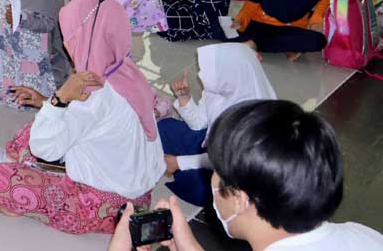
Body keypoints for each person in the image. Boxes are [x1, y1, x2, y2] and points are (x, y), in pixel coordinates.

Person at [0, 0, 165, 234]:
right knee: (29, 133)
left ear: (82, 37)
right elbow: (100, 122)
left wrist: (59, 100)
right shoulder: (125, 72)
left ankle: (30, 203)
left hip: (100, 206)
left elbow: (44, 149)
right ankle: (29, 167)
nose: (66, 42)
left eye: (69, 34)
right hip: (139, 195)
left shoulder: (91, 93)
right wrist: (45, 102)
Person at [112, 100, 383, 251]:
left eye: (216, 173)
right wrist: (189, 246)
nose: (212, 181)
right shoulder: (362, 236)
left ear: (240, 199)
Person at [158, 43, 276, 206]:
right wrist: (184, 97)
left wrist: (178, 162)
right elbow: (198, 123)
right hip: (216, 145)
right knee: (165, 127)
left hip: (239, 168)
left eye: (207, 70)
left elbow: (228, 159)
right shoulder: (220, 88)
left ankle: (179, 166)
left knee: (203, 192)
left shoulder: (254, 111)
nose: (201, 74)